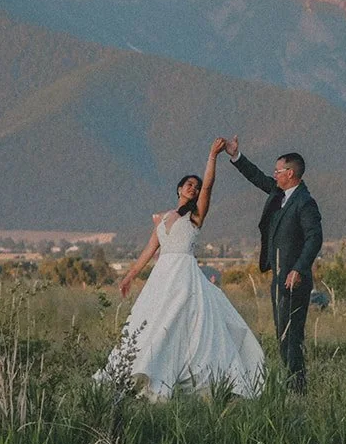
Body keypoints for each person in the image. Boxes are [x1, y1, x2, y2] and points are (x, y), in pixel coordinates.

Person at [96, 138, 265, 400]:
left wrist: (212, 156)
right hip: (162, 275)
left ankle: (186, 375)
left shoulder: (195, 216)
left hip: (185, 275)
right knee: (151, 321)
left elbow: (209, 185)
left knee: (182, 320)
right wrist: (130, 275)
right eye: (189, 185)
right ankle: (138, 370)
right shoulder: (163, 218)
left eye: (195, 188)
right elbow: (149, 250)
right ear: (179, 188)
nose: (194, 189)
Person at [224, 137, 322, 392]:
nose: (274, 175)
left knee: (292, 337)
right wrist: (236, 156)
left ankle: (298, 389)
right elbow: (257, 178)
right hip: (278, 276)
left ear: (290, 173)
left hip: (293, 278)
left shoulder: (305, 202)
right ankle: (291, 385)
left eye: (278, 171)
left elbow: (315, 238)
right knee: (282, 334)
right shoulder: (280, 194)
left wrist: (298, 269)